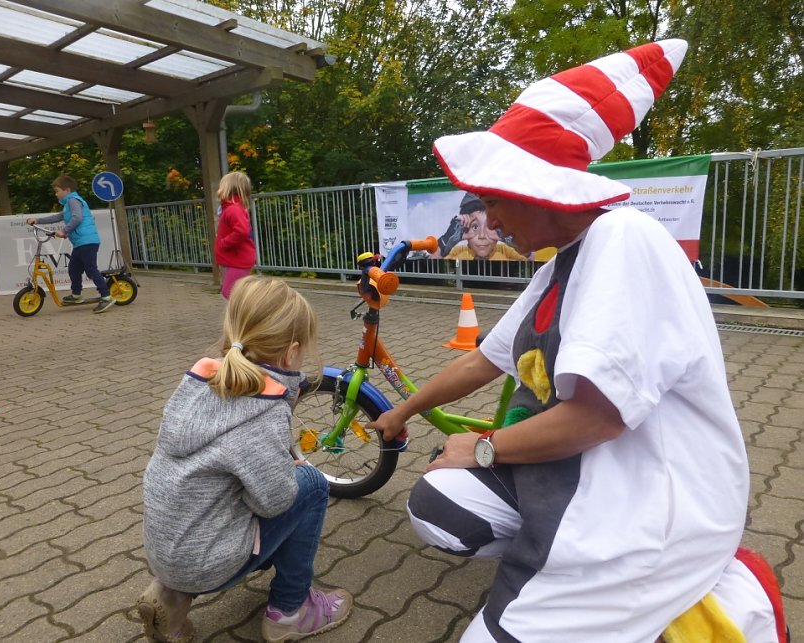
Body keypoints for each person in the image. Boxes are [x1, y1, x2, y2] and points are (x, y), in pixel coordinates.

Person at [370, 39, 786, 642]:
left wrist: (484, 446)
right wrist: (403, 411)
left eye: (494, 200)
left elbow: (596, 420)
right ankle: (568, 569)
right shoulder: (561, 262)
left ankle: (652, 586)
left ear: (538, 187)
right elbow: (486, 361)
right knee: (439, 505)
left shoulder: (622, 237)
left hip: (653, 504)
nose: (491, 220)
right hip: (589, 471)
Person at [137, 276, 352, 643]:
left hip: (165, 552)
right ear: (290, 353)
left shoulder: (198, 381)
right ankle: (290, 610)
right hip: (204, 561)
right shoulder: (264, 410)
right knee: (312, 486)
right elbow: (274, 502)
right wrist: (287, 473)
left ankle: (172, 598)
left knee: (224, 495)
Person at [26, 174, 116, 314]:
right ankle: (76, 295)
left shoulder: (73, 200)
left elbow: (77, 218)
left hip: (88, 241)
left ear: (66, 190)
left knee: (91, 269)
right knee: (73, 268)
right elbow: (57, 217)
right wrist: (37, 220)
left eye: (57, 191)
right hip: (80, 243)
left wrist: (64, 231)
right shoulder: (68, 204)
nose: (56, 194)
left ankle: (106, 296)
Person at [431, 192, 555, 262]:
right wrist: (446, 241)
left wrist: (513, 241)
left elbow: (532, 259)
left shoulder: (505, 251)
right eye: (475, 227)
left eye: (490, 227)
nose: (482, 236)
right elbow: (431, 263)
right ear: (464, 228)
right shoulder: (458, 252)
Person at [215, 171, 257, 299]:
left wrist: (224, 242)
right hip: (235, 260)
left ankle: (250, 314)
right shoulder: (231, 208)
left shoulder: (233, 209)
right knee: (235, 292)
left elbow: (242, 231)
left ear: (228, 188)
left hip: (238, 261)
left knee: (230, 293)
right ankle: (246, 314)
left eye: (221, 185)